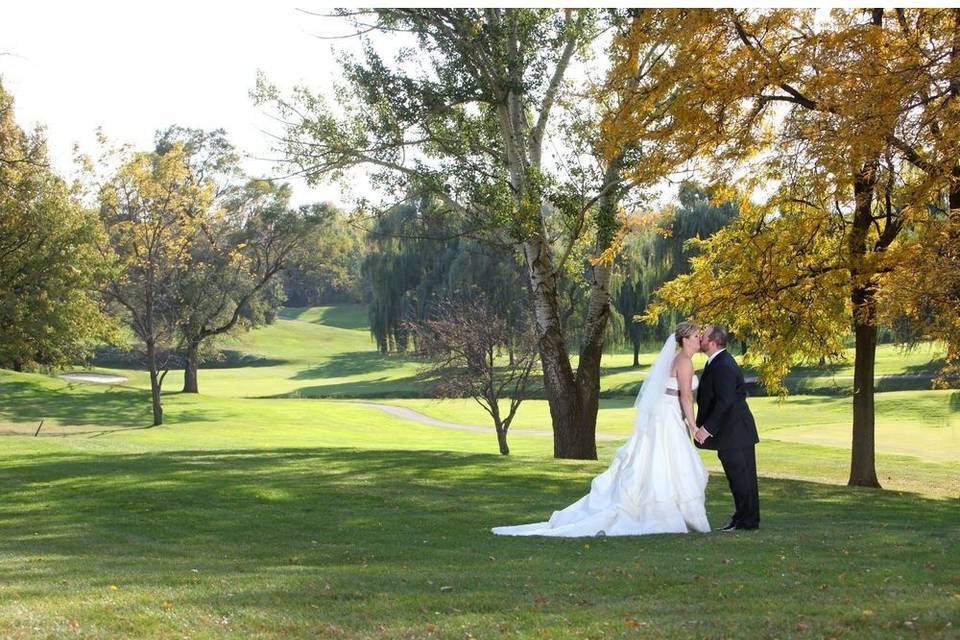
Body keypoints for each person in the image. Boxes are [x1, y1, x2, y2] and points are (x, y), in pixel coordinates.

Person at [492, 322, 709, 537]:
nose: (699, 339)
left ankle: (668, 509)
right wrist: (693, 425)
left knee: (659, 458)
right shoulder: (684, 362)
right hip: (667, 415)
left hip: (664, 413)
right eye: (696, 336)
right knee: (665, 458)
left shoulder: (677, 359)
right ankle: (665, 511)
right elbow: (687, 397)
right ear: (685, 340)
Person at [693, 325, 760, 531]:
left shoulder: (722, 365)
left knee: (741, 478)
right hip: (733, 431)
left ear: (712, 342)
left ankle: (746, 521)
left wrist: (706, 429)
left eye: (703, 336)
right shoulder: (718, 362)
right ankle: (744, 519)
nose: (700, 339)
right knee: (740, 478)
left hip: (735, 432)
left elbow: (725, 402)